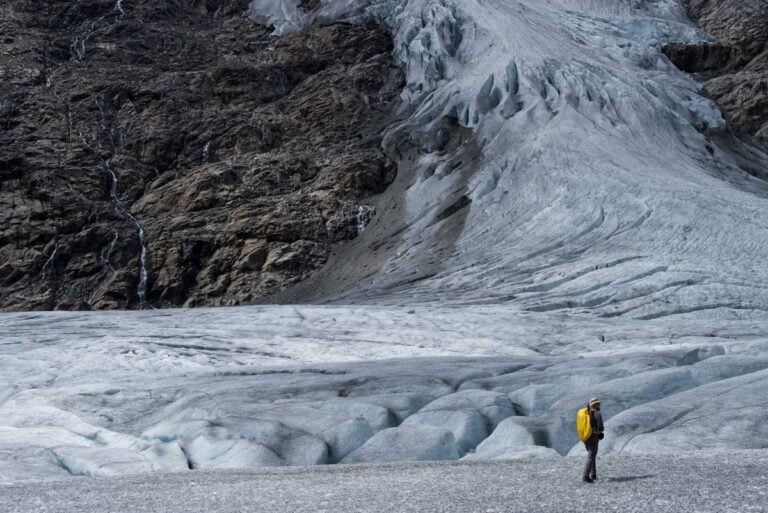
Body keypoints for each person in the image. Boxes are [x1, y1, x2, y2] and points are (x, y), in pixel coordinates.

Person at [583, 397, 604, 483]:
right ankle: (585, 476)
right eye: (598, 404)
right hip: (593, 437)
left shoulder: (588, 414)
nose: (599, 405)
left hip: (586, 437)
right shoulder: (597, 414)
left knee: (592, 455)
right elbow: (600, 427)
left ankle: (593, 473)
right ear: (594, 405)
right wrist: (600, 432)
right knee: (591, 456)